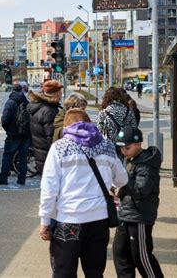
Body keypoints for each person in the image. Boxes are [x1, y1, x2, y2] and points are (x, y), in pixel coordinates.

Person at [39, 109, 129, 277]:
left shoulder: (59, 147)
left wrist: (45, 220)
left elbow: (49, 189)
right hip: (99, 220)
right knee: (95, 273)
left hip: (68, 219)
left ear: (66, 126)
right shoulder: (107, 146)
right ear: (90, 124)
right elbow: (122, 180)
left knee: (63, 273)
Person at [112, 126, 164, 278]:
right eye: (121, 148)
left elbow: (140, 190)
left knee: (141, 256)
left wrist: (122, 182)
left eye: (127, 148)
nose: (123, 151)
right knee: (120, 253)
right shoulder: (130, 159)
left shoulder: (146, 163)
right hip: (126, 213)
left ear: (138, 144)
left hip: (139, 215)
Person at [0, 82, 30, 185]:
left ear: (12, 90)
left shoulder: (10, 102)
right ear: (22, 90)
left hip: (13, 134)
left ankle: (3, 178)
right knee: (23, 157)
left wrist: (8, 129)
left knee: (7, 156)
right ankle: (22, 179)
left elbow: (5, 120)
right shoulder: (26, 102)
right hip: (25, 135)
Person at [27, 79, 63, 175]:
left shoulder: (38, 106)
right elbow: (51, 138)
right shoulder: (49, 111)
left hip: (41, 154)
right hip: (49, 157)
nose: (61, 95)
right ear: (56, 94)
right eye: (60, 92)